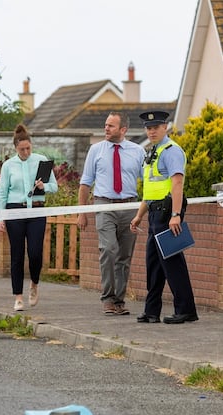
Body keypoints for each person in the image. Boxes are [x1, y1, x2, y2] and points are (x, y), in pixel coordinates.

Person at [130, 111, 198, 324]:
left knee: (172, 262)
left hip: (168, 212)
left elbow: (177, 183)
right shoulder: (153, 152)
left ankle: (186, 310)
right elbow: (150, 190)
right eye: (148, 128)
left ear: (165, 127)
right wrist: (139, 215)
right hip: (155, 213)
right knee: (154, 264)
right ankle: (152, 311)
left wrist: (176, 215)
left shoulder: (171, 151)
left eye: (156, 127)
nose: (151, 131)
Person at [77, 112, 145, 316]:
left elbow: (149, 180)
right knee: (108, 249)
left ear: (123, 129)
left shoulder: (137, 151)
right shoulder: (95, 150)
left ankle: (119, 300)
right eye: (105, 125)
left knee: (124, 255)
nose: (106, 129)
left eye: (111, 126)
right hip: (104, 205)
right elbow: (85, 183)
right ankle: (107, 298)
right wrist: (82, 212)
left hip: (129, 206)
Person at [0, 124, 58, 312]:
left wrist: (43, 187)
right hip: (14, 211)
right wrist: (0, 217)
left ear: (31, 145)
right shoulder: (8, 166)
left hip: (36, 211)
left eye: (28, 148)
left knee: (35, 252)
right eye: (22, 149)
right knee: (16, 255)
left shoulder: (41, 161)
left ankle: (34, 284)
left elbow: (54, 187)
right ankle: (18, 297)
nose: (26, 152)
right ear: (15, 148)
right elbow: (2, 193)